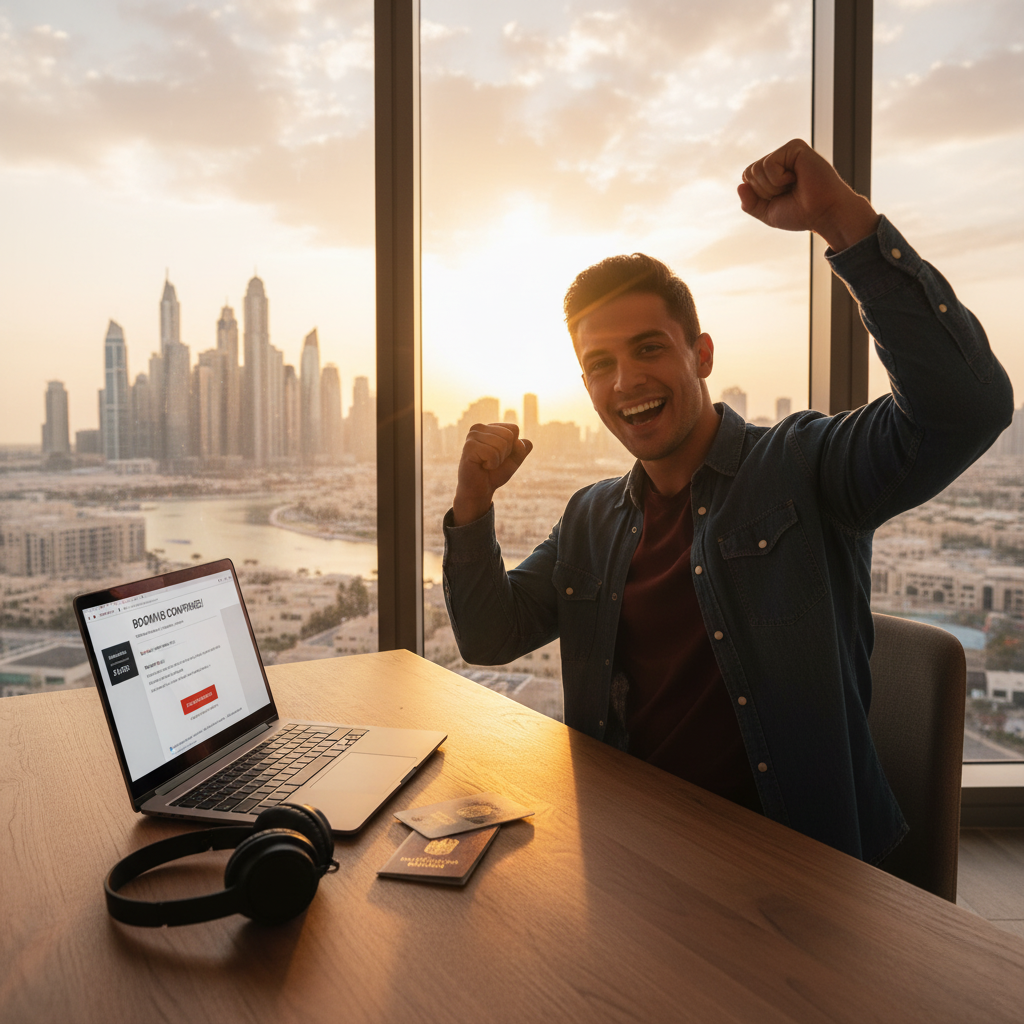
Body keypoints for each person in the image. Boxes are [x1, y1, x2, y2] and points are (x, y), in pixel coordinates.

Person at [441, 139, 1014, 863]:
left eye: (650, 349)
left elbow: (966, 407)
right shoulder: (589, 518)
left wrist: (841, 219)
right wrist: (470, 506)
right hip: (631, 855)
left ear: (701, 355)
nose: (625, 383)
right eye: (600, 365)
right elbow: (490, 637)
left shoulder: (802, 466)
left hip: (799, 873)